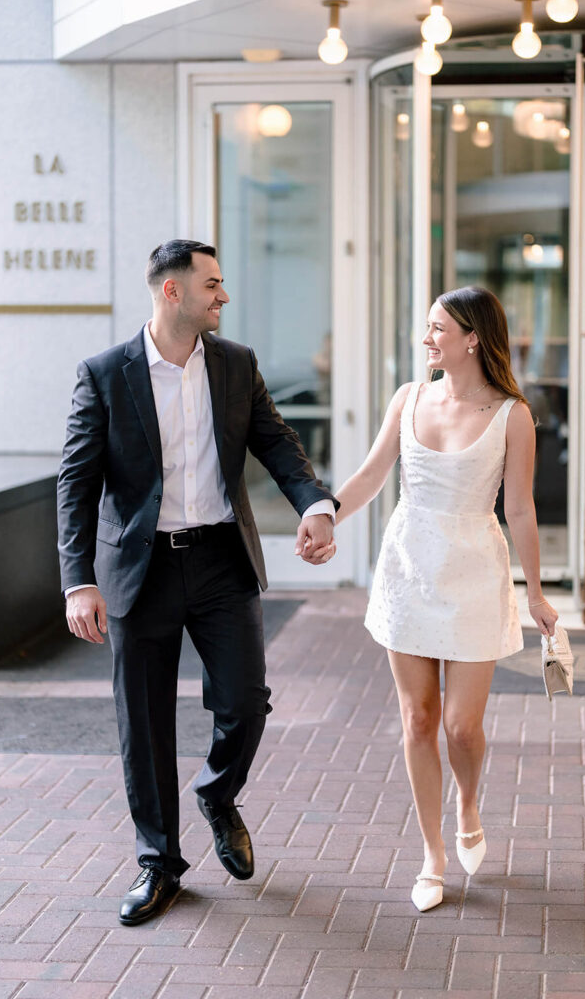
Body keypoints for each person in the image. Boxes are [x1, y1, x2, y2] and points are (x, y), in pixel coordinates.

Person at [57, 240, 337, 926]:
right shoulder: (104, 374)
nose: (224, 296)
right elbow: (76, 484)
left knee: (245, 701)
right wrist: (77, 581)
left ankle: (217, 791)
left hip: (219, 560)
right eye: (212, 284)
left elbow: (276, 442)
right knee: (143, 725)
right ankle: (159, 865)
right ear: (171, 292)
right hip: (139, 571)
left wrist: (316, 504)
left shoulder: (236, 365)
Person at [331, 286, 558, 912]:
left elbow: (519, 508)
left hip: (476, 576)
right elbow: (374, 474)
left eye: (437, 329)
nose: (426, 338)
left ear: (471, 339)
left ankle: (468, 800)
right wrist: (324, 515)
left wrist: (536, 591)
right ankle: (432, 853)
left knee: (462, 727)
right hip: (407, 569)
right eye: (427, 328)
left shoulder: (513, 415)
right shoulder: (409, 399)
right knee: (419, 720)